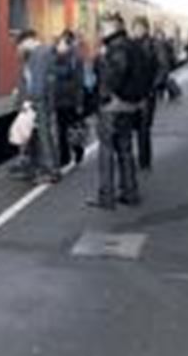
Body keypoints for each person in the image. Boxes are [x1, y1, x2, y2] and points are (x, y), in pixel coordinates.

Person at [88, 13, 146, 209]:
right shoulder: (133, 45)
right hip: (130, 106)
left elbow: (112, 75)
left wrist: (104, 97)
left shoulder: (116, 48)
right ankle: (130, 193)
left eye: (103, 28)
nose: (100, 33)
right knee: (126, 149)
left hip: (114, 106)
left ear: (112, 28)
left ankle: (106, 196)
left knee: (106, 151)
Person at [14, 29, 60, 184]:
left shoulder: (39, 54)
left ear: (28, 40)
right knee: (37, 136)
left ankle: (51, 170)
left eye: (21, 45)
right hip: (39, 101)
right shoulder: (40, 53)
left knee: (43, 136)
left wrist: (31, 101)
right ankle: (39, 168)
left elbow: (38, 82)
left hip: (39, 102)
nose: (21, 49)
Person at [128, 16, 160, 171]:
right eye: (135, 28)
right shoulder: (131, 45)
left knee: (144, 129)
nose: (137, 31)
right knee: (133, 128)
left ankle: (144, 161)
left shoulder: (154, 45)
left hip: (147, 94)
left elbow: (163, 67)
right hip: (133, 95)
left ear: (146, 28)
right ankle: (137, 159)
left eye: (140, 28)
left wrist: (152, 88)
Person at [53, 30, 86, 168]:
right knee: (61, 130)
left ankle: (78, 150)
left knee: (72, 129)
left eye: (62, 42)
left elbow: (79, 82)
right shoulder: (55, 57)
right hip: (59, 99)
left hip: (71, 100)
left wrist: (79, 103)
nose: (59, 45)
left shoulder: (75, 59)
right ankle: (64, 157)